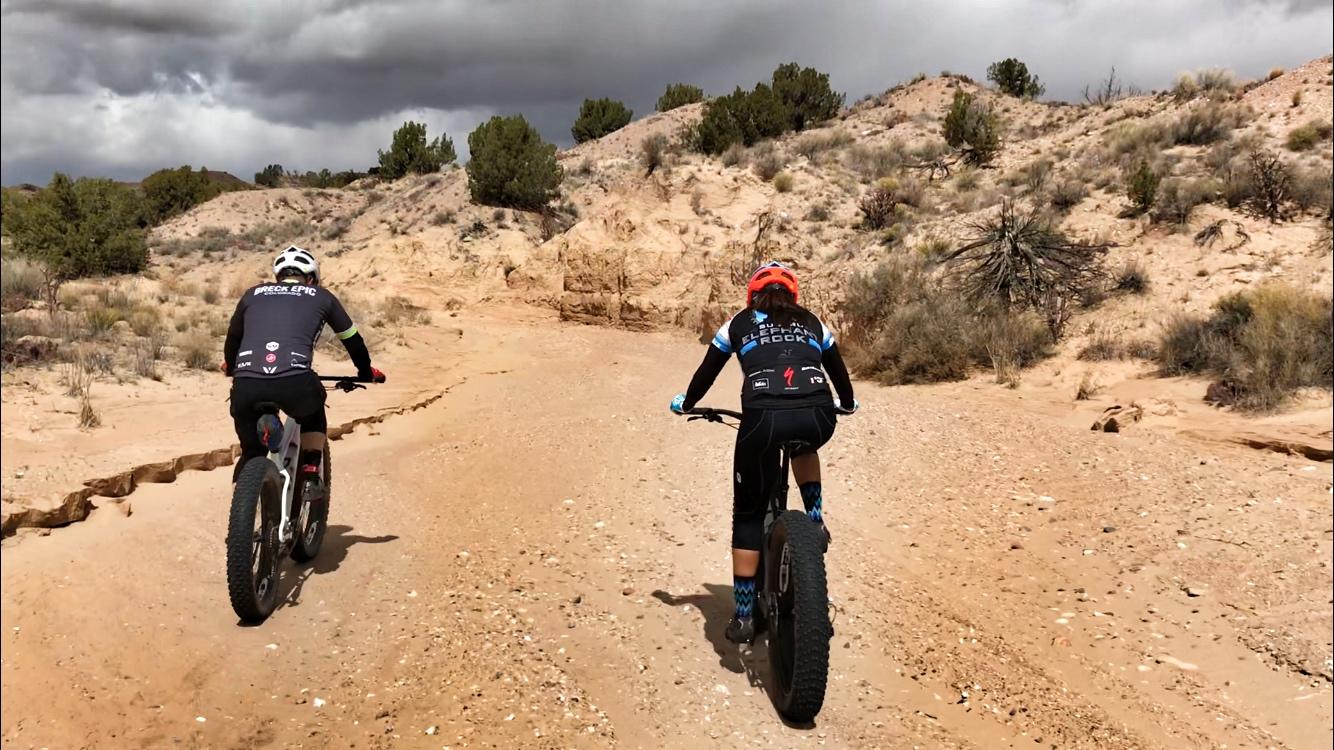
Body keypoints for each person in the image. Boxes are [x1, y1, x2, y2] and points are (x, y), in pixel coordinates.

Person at [670, 261, 856, 645]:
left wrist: (687, 402)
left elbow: (708, 371)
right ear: (794, 295)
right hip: (819, 417)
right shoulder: (812, 321)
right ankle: (816, 519)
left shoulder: (738, 322)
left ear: (751, 295)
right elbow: (838, 371)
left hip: (762, 421)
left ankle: (743, 616)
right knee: (804, 442)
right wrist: (848, 403)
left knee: (748, 514)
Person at [222, 245, 384, 495]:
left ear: (279, 276)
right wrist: (365, 370)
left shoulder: (252, 294)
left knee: (252, 451)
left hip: (246, 384)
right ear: (310, 279)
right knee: (313, 405)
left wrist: (231, 365)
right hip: (295, 382)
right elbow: (351, 338)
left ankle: (242, 502)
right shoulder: (321, 296)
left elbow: (233, 338)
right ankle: (310, 471)